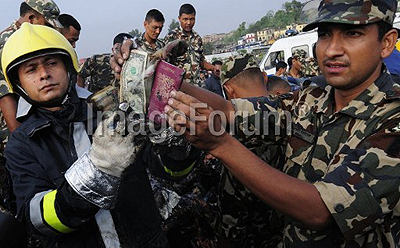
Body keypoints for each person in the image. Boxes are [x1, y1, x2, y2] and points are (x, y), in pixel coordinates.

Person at [165, 0, 400, 246]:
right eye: (324, 34)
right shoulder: (312, 98)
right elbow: (228, 110)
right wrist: (161, 76)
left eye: (352, 33)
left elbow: (320, 210)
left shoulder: (392, 119)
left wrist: (220, 145)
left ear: (386, 43)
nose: (332, 50)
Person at [2, 23, 168, 247]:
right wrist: (97, 172)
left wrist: (172, 136)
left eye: (51, 63)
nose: (44, 74)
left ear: (69, 67)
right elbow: (37, 220)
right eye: (31, 69)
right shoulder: (21, 144)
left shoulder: (110, 112)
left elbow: (167, 170)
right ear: (19, 84)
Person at [216, 55, 285, 248]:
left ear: (228, 91)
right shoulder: (296, 109)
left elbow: (232, 226)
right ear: (265, 77)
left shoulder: (240, 144)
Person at [0, 0, 63, 133]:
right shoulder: (8, 43)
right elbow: (5, 95)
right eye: (47, 25)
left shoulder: (30, 39)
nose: (49, 30)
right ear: (32, 18)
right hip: (18, 126)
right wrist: (22, 139)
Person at [164, 3, 214, 87]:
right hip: (179, 88)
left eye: (192, 19)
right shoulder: (172, 37)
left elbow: (201, 62)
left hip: (197, 87)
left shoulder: (197, 38)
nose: (189, 22)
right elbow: (165, 65)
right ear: (179, 19)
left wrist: (214, 68)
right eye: (185, 19)